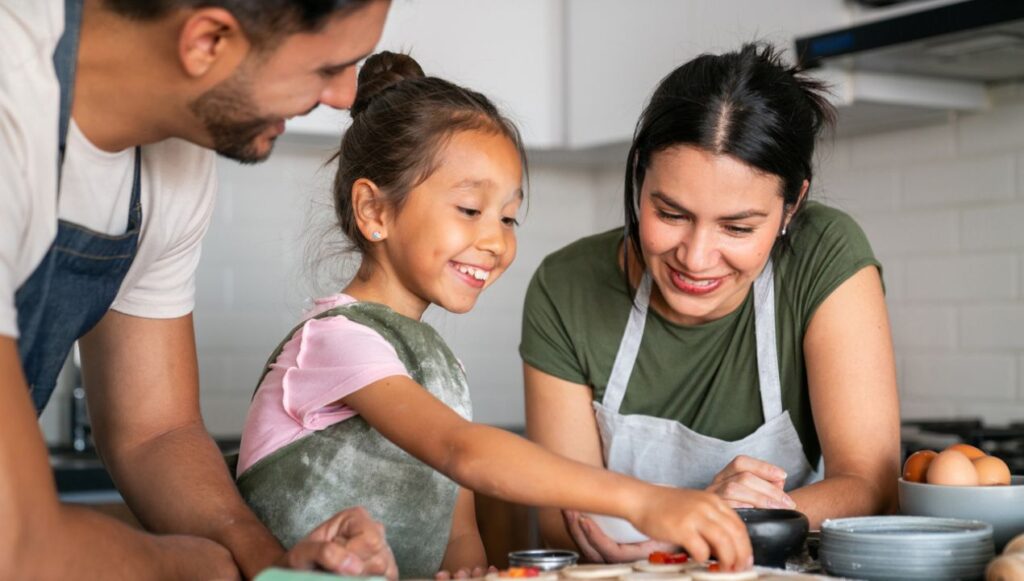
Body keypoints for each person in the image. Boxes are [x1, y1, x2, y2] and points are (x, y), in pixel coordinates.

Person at [235, 51, 754, 579]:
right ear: (375, 211)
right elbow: (464, 452)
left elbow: (458, 530)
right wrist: (646, 502)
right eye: (469, 210)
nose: (496, 241)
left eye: (508, 218)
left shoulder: (438, 368)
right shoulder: (335, 340)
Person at [0, 0, 399, 578]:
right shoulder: (12, 100)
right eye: (327, 68)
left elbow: (154, 432)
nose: (343, 96)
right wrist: (193, 567)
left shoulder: (173, 152)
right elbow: (18, 541)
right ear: (208, 41)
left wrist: (273, 569)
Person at [521, 43, 901, 563]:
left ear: (792, 206)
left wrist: (714, 525)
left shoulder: (824, 255)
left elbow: (870, 486)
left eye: (738, 227)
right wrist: (702, 513)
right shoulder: (566, 286)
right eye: (671, 213)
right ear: (639, 178)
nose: (696, 259)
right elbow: (565, 524)